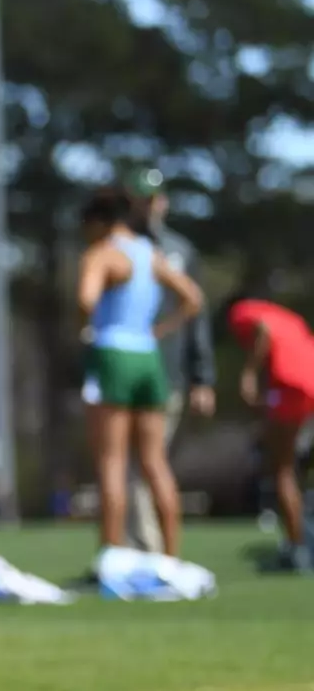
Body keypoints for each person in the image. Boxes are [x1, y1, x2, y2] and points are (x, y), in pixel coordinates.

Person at [76, 185, 203, 563]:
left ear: (98, 222)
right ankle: (171, 558)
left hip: (113, 353)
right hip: (148, 358)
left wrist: (87, 323)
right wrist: (159, 330)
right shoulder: (150, 254)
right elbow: (193, 298)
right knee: (154, 462)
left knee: (112, 462)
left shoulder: (102, 254)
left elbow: (86, 298)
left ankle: (111, 557)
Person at [123, 169, 216, 552]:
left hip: (167, 372)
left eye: (153, 197)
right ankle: (141, 551)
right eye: (141, 198)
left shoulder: (180, 252)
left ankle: (151, 554)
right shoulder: (121, 247)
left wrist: (202, 377)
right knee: (132, 465)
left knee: (147, 463)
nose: (148, 205)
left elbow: (196, 314)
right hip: (125, 370)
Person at [226, 296, 314, 572]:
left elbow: (262, 330)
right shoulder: (289, 318)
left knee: (281, 469)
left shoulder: (242, 312)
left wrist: (249, 374)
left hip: (291, 388)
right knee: (291, 469)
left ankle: (298, 548)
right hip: (308, 384)